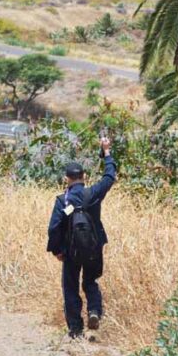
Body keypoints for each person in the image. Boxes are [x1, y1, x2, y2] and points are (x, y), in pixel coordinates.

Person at [46, 136, 117, 339]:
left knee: (71, 288)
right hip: (94, 249)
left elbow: (54, 228)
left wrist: (57, 250)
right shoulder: (93, 193)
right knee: (91, 281)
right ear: (84, 176)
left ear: (66, 178)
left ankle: (76, 329)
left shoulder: (62, 200)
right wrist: (107, 152)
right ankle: (94, 311)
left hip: (71, 252)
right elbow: (109, 177)